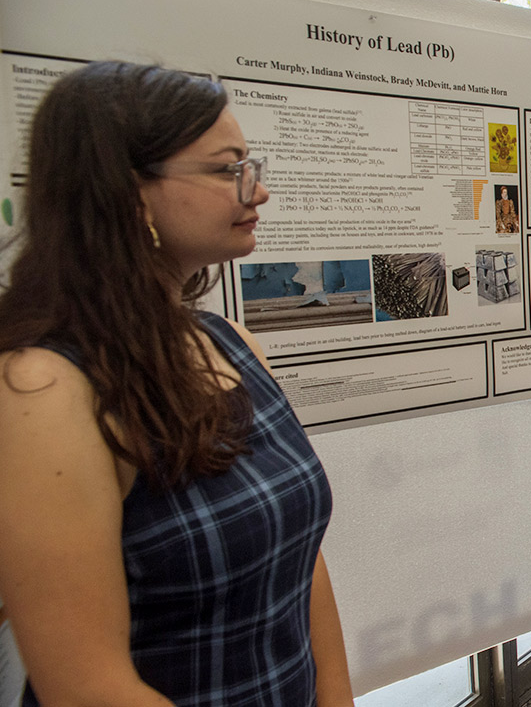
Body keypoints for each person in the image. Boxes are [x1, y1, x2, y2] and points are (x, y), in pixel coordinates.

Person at [0, 62, 353, 706]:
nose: (257, 191)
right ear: (130, 194)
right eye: (226, 169)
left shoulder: (228, 343)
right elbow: (87, 689)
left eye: (251, 166)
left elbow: (301, 564)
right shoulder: (46, 389)